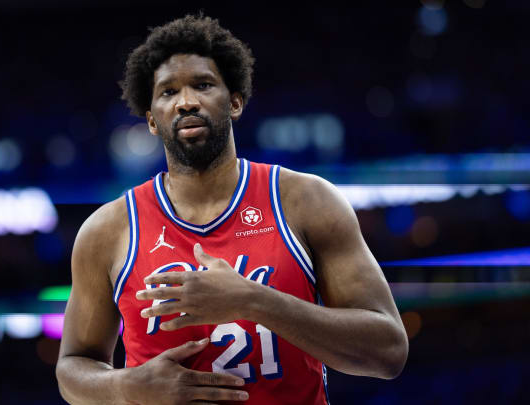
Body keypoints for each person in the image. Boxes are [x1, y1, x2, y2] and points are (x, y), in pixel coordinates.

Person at [56, 14, 408, 405]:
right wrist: (126, 387)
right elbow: (73, 366)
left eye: (203, 85)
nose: (187, 101)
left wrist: (254, 301)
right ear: (152, 120)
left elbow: (388, 351)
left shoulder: (305, 201)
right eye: (168, 92)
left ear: (235, 101)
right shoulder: (107, 230)